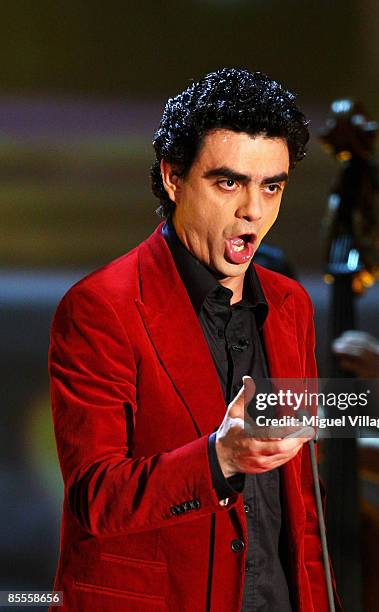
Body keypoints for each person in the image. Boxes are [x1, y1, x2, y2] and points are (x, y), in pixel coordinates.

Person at [49, 68, 341, 611]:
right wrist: (220, 456)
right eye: (228, 182)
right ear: (173, 177)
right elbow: (96, 498)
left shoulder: (290, 305)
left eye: (271, 186)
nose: (253, 210)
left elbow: (301, 502)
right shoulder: (100, 307)